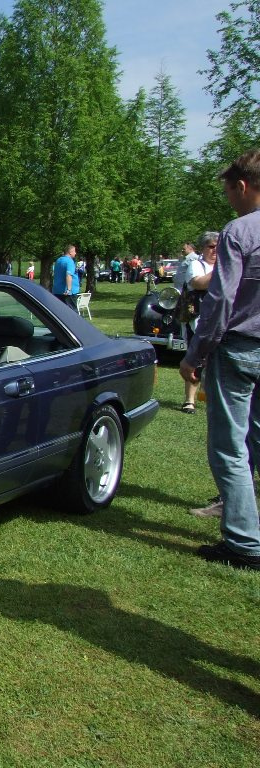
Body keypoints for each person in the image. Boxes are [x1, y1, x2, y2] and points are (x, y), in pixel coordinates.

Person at [179, 148, 260, 571]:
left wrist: (195, 353)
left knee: (231, 448)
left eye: (229, 191)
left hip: (241, 349)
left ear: (242, 186)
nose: (229, 199)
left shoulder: (239, 232)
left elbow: (221, 299)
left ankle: (245, 542)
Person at [178, 232, 219, 415]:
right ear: (203, 248)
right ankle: (189, 401)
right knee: (194, 359)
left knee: (217, 362)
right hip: (198, 320)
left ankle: (211, 397)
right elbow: (199, 283)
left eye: (218, 246)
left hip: (222, 320)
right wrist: (223, 271)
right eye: (211, 246)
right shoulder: (196, 265)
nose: (215, 250)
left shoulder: (224, 265)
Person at [52, 244, 80, 310]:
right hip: (68, 293)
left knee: (60, 311)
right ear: (70, 252)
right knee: (72, 312)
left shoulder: (58, 260)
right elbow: (68, 275)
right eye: (74, 251)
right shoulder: (69, 261)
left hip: (57, 290)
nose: (75, 253)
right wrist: (68, 289)